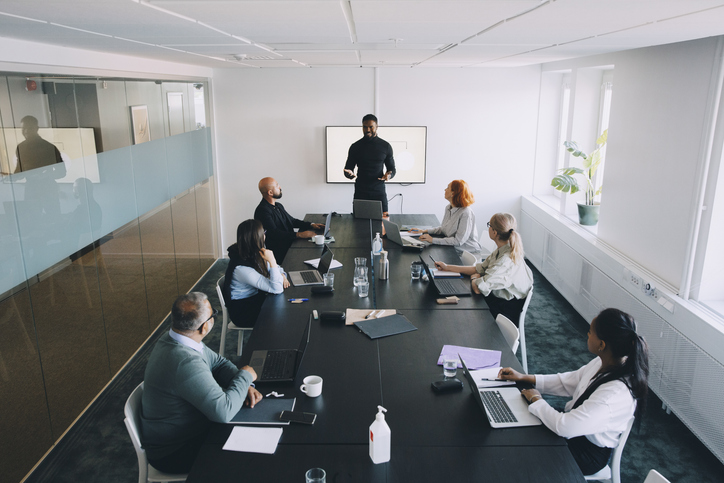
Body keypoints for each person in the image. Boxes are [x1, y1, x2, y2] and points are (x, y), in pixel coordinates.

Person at [498, 308, 649, 476]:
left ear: (602, 344)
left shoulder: (613, 394)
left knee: (522, 453)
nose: (587, 334)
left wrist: (536, 400)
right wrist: (525, 378)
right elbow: (569, 382)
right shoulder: (607, 360)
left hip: (586, 453)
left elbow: (564, 427)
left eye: (591, 332)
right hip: (575, 428)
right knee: (519, 431)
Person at [141, 292, 262, 473]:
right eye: (213, 314)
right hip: (175, 451)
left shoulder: (178, 338)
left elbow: (219, 364)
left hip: (188, 429)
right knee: (249, 458)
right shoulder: (184, 362)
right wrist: (245, 377)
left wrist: (245, 387)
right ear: (205, 327)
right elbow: (223, 411)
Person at [433, 212, 533, 323]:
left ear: (495, 232)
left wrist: (474, 279)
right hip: (498, 297)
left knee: (456, 313)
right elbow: (477, 269)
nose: (488, 228)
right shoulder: (504, 248)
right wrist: (447, 267)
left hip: (504, 309)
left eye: (489, 225)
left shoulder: (505, 261)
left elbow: (477, 289)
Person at [222, 219, 289, 328]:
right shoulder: (241, 269)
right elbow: (277, 288)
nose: (265, 235)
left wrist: (282, 275)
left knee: (288, 306)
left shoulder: (254, 252)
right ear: (258, 237)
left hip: (256, 299)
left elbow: (278, 269)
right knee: (287, 314)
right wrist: (272, 261)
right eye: (264, 232)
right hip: (244, 312)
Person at [254, 177, 324, 262]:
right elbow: (274, 233)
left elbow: (292, 221)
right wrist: (299, 234)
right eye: (277, 186)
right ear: (270, 192)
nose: (280, 187)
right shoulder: (262, 211)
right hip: (280, 253)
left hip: (290, 245)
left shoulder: (278, 206)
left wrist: (311, 225)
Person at [410, 179, 483, 258]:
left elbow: (458, 241)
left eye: (448, 187)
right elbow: (444, 229)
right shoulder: (448, 207)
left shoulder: (466, 213)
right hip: (453, 248)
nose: (445, 189)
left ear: (453, 193)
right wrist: (424, 231)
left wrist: (433, 240)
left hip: (467, 254)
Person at [343, 114, 396, 216]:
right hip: (361, 191)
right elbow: (348, 168)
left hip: (379, 191)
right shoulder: (355, 147)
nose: (367, 129)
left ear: (376, 126)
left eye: (371, 127)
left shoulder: (385, 146)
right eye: (365, 127)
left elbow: (392, 169)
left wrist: (389, 175)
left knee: (383, 223)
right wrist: (348, 174)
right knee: (359, 224)